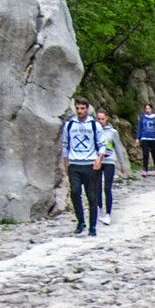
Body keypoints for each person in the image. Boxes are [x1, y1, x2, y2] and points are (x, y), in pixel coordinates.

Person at [59, 97, 101, 235]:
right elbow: (65, 144)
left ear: (87, 109)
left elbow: (102, 145)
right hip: (75, 164)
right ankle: (80, 221)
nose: (80, 111)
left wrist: (99, 159)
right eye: (77, 108)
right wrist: (66, 163)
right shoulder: (70, 125)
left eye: (82, 108)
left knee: (92, 196)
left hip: (90, 164)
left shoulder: (94, 125)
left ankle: (92, 226)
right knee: (75, 192)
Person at [93, 107, 121, 220]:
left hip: (110, 161)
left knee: (107, 187)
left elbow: (118, 147)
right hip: (98, 161)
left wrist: (121, 164)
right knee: (97, 186)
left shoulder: (113, 132)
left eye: (103, 119)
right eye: (99, 119)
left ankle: (108, 214)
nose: (101, 121)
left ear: (107, 119)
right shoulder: (94, 130)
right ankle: (100, 209)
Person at [136, 104, 155, 172]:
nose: (147, 110)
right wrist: (138, 138)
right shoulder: (143, 117)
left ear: (151, 109)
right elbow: (140, 128)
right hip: (145, 138)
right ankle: (145, 169)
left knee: (154, 155)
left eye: (149, 108)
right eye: (146, 108)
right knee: (145, 154)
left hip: (154, 138)